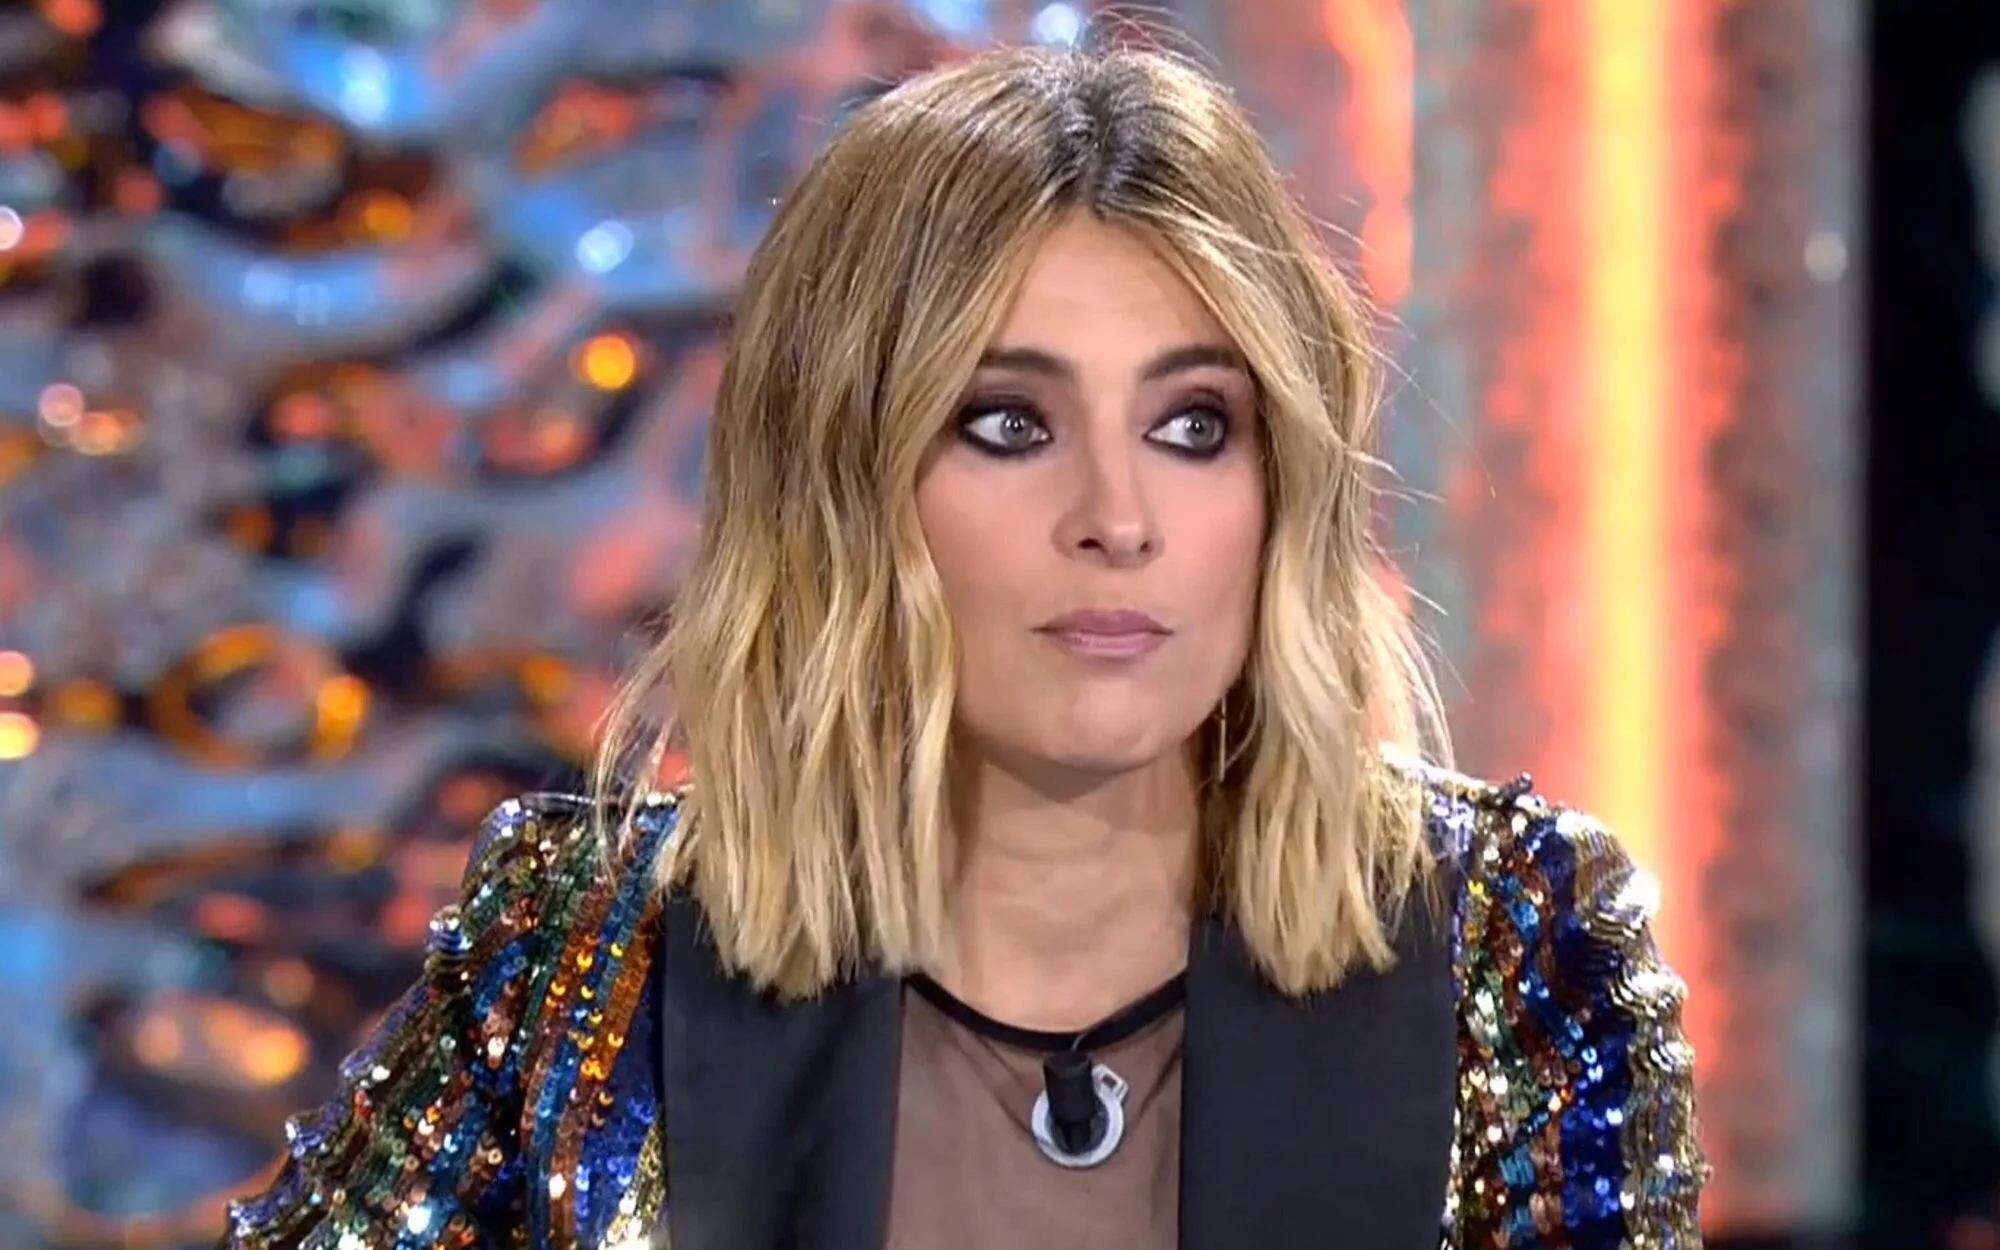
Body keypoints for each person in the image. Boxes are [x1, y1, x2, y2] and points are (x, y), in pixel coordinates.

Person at [219, 43, 1706, 1250]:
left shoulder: (1515, 938)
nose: (1117, 519)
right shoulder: (587, 955)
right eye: (1007, 423)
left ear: (1282, 487)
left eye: (1194, 426)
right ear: (842, 484)